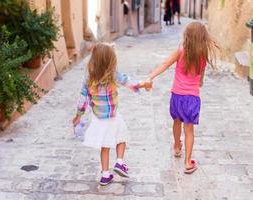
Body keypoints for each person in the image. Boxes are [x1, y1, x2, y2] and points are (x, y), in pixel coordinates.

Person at [73, 43, 152, 185]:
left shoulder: (88, 78)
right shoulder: (113, 75)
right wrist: (143, 84)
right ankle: (120, 162)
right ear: (111, 60)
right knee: (121, 137)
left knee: (105, 146)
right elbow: (130, 82)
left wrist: (78, 115)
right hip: (113, 116)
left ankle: (105, 175)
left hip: (98, 118)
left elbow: (82, 98)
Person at [145, 22, 219, 174]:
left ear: (187, 36)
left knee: (176, 122)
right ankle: (187, 162)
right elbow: (201, 75)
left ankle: (177, 146)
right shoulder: (203, 54)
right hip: (192, 98)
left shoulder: (180, 51)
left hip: (177, 96)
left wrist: (150, 77)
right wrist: (199, 82)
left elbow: (165, 64)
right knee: (189, 130)